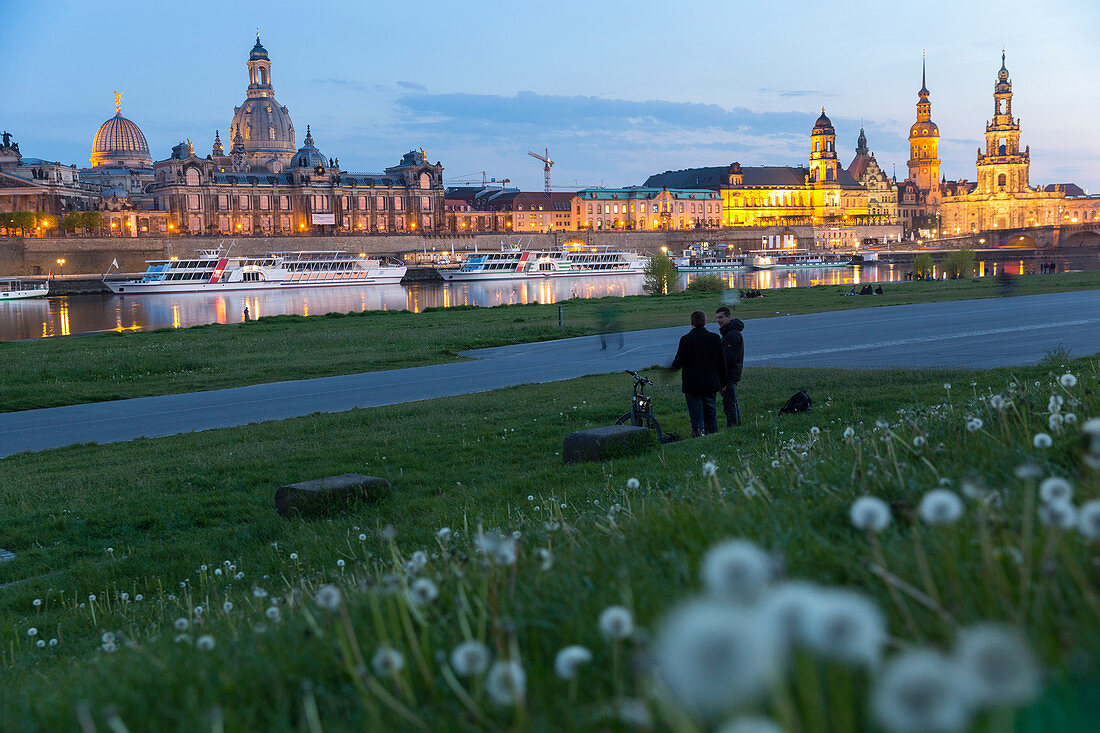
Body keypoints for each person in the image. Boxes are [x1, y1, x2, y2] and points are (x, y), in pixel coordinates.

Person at [669, 310, 727, 437]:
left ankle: (698, 437)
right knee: (711, 414)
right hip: (711, 383)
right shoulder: (715, 338)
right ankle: (713, 437)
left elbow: (678, 364)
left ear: (692, 323)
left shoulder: (686, 340)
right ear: (705, 322)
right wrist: (723, 382)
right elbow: (721, 363)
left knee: (696, 416)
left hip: (693, 385)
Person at [715, 306, 744, 428]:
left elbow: (728, 359)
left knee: (729, 405)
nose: (718, 320)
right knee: (733, 402)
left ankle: (733, 428)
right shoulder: (730, 333)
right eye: (716, 318)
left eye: (721, 317)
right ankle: (737, 427)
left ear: (729, 317)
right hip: (731, 374)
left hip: (729, 376)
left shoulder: (731, 335)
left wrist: (722, 379)